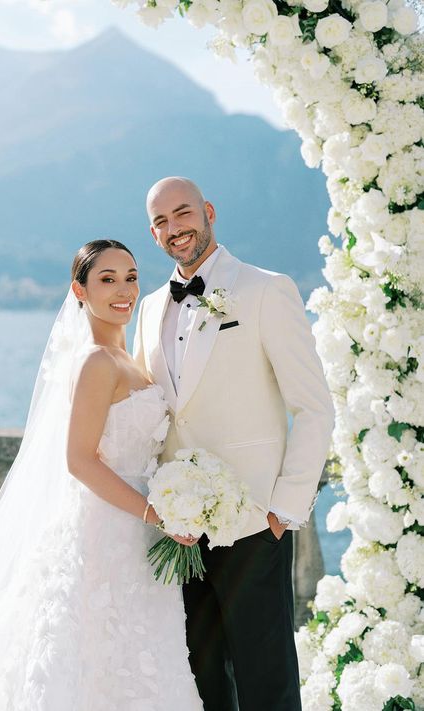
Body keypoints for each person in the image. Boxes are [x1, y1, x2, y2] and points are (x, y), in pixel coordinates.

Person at [0, 239, 202, 711]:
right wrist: (156, 513)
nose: (124, 289)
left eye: (130, 276)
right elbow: (80, 460)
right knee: (97, 661)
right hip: (105, 534)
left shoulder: (131, 361)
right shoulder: (94, 362)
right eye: (107, 279)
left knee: (144, 657)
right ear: (79, 291)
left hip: (139, 538)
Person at [134, 177, 335, 711]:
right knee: (199, 680)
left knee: (265, 678)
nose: (174, 228)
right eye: (161, 222)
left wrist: (283, 511)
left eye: (183, 214)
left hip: (253, 525)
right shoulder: (151, 307)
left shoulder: (266, 290)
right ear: (153, 234)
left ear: (209, 212)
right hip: (177, 533)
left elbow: (314, 408)